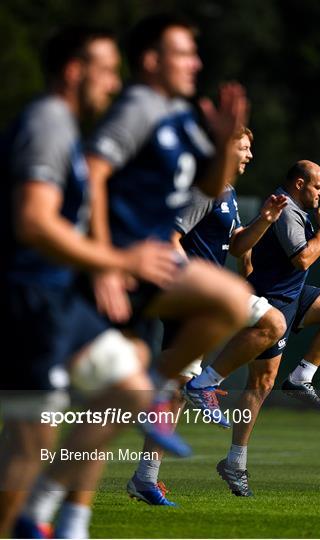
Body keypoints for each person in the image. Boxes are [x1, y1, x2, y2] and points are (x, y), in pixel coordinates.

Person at [0, 26, 181, 538]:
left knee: (130, 383)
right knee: (30, 440)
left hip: (56, 299)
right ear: (75, 71)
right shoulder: (48, 123)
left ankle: (40, 509)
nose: (114, 81)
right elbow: (33, 221)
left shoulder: (65, 127)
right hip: (27, 299)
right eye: (105, 69)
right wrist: (114, 257)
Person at [86, 14, 252, 406]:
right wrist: (104, 262)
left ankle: (156, 389)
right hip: (121, 262)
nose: (195, 63)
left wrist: (224, 145)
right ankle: (162, 387)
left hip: (147, 267)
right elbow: (92, 174)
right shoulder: (137, 108)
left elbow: (209, 188)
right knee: (230, 302)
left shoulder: (177, 115)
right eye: (183, 54)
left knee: (228, 304)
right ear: (150, 61)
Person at [127, 126, 288, 505]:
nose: (249, 155)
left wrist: (263, 220)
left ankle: (144, 478)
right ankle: (205, 385)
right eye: (244, 147)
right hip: (194, 297)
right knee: (272, 323)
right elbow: (170, 238)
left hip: (205, 297)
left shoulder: (227, 191)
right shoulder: (206, 187)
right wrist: (192, 283)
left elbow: (234, 246)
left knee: (174, 392)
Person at [212, 160, 320, 497]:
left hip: (293, 296)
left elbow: (249, 247)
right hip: (274, 303)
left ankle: (300, 377)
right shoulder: (287, 208)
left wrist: (248, 265)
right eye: (318, 186)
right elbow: (303, 259)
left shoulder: (289, 206)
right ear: (298, 183)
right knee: (260, 384)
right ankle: (235, 462)